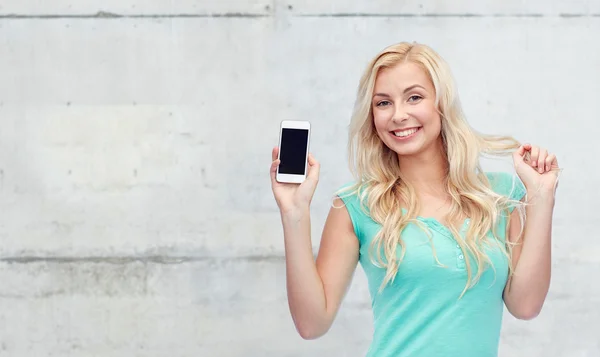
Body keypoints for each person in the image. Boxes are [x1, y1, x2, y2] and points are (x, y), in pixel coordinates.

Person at [269, 42, 560, 357]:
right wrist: (294, 214)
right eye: (383, 103)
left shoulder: (497, 196)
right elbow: (312, 324)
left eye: (414, 97)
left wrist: (541, 198)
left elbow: (526, 305)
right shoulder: (356, 206)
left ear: (441, 103)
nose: (398, 115)